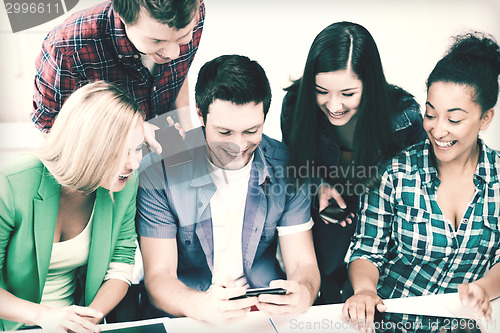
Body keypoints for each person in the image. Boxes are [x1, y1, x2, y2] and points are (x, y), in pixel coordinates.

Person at [136, 54, 320, 324]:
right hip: (190, 313)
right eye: (225, 132)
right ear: (199, 114)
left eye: (251, 130)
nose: (238, 146)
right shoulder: (160, 170)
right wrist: (202, 305)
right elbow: (159, 278)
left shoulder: (288, 167)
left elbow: (303, 265)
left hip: (265, 313)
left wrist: (303, 293)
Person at [343, 32, 500, 332]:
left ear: (486, 118)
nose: (438, 130)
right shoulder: (393, 171)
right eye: (430, 114)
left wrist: (485, 288)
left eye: (454, 120)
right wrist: (364, 290)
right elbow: (366, 250)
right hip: (389, 323)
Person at [280, 21, 426, 302]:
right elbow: (295, 166)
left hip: (384, 221)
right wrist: (317, 185)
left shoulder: (404, 117)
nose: (334, 106)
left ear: (369, 84)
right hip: (323, 221)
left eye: (348, 94)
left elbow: (416, 192)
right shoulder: (296, 105)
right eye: (322, 91)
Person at [0, 81, 145, 332]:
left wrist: (86, 320)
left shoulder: (124, 184)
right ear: (86, 146)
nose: (133, 163)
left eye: (138, 148)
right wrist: (44, 316)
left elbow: (121, 266)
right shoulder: (12, 183)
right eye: (120, 151)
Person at [32, 0, 205, 152]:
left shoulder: (193, 12)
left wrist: (188, 130)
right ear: (123, 17)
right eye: (157, 41)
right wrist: (129, 132)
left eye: (183, 38)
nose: (174, 53)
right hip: (105, 155)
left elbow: (178, 74)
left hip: (168, 139)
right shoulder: (66, 49)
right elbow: (49, 128)